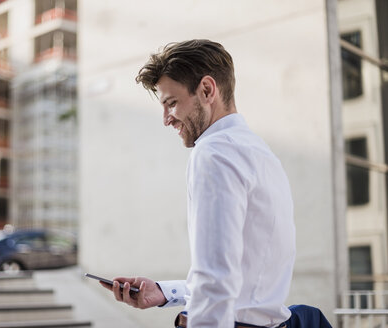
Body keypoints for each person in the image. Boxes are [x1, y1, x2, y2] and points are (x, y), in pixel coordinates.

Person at [100, 39, 330, 328]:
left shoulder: (214, 152)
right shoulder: (260, 152)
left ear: (207, 90)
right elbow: (243, 276)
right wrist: (163, 292)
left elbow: (216, 278)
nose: (166, 119)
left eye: (172, 103)